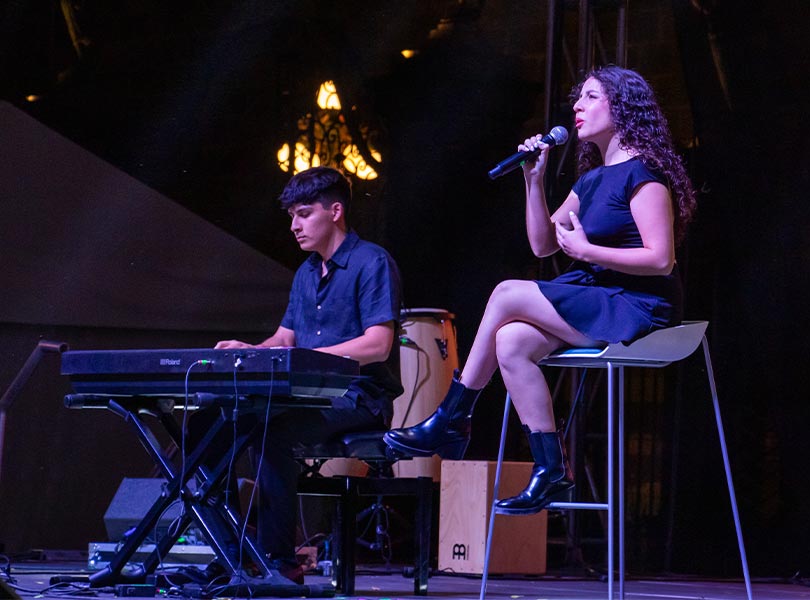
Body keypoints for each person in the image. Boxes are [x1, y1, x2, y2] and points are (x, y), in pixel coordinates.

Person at [384, 65, 696, 515]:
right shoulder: (589, 181)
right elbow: (543, 244)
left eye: (590, 97)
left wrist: (589, 251)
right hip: (595, 295)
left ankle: (452, 416)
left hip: (638, 304)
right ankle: (551, 468)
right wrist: (534, 179)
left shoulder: (643, 175)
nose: (577, 107)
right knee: (509, 341)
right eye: (578, 98)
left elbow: (661, 259)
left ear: (623, 108)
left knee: (508, 292)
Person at [207, 166, 403, 578]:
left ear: (334, 211)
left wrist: (314, 360)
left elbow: (378, 344)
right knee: (214, 423)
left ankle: (279, 560)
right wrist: (252, 351)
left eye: (303, 214)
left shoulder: (372, 262)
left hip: (358, 398)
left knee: (269, 430)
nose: (294, 226)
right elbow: (285, 338)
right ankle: (232, 553)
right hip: (309, 393)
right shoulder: (306, 272)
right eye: (291, 216)